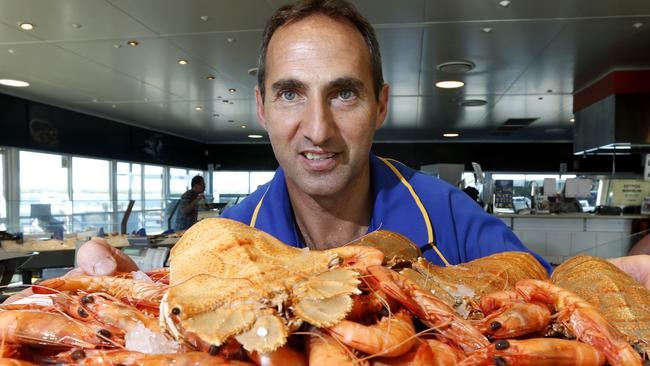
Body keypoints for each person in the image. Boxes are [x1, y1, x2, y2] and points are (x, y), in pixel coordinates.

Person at [7, 0, 650, 303]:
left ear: (381, 105)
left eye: (343, 94)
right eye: (290, 94)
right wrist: (122, 292)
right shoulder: (223, 241)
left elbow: (555, 298)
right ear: (261, 108)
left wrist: (630, 269)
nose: (317, 129)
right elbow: (166, 317)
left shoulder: (449, 218)